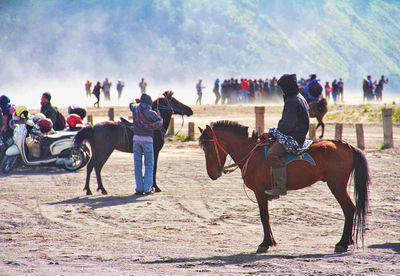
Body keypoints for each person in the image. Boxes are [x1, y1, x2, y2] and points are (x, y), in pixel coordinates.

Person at [264, 74, 311, 196]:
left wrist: (273, 132)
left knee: (271, 154)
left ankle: (280, 187)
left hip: (293, 138)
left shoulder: (292, 101)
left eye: (282, 88)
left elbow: (287, 126)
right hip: (298, 135)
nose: (281, 91)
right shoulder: (298, 97)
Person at [129, 94, 163, 195]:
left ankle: (139, 188)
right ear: (149, 103)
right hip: (148, 141)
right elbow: (159, 123)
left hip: (136, 140)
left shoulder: (135, 109)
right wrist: (159, 115)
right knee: (149, 165)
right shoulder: (151, 113)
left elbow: (130, 104)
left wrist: (136, 101)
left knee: (137, 165)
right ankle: (148, 188)